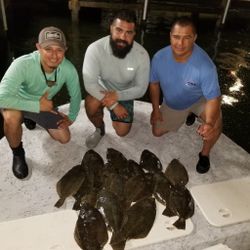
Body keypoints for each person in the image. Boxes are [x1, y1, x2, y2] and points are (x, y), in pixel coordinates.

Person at [0, 26, 82, 179]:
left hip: (42, 106)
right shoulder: (21, 64)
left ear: (66, 49)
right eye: (48, 49)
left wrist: (71, 116)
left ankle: (30, 117)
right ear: (38, 47)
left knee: (65, 138)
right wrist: (37, 106)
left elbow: (76, 96)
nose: (54, 55)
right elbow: (1, 97)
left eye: (59, 50)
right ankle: (18, 153)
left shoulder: (68, 69)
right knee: (12, 119)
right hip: (16, 102)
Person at [149, 16, 222, 174]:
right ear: (170, 35)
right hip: (175, 103)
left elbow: (214, 98)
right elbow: (154, 84)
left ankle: (204, 154)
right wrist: (156, 109)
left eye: (187, 38)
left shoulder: (206, 66)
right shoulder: (158, 58)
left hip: (199, 98)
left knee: (215, 122)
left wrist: (209, 123)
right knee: (156, 132)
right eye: (176, 37)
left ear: (194, 38)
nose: (180, 44)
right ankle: (188, 114)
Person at [82, 9, 150, 148]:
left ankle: (116, 113)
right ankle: (100, 129)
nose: (123, 37)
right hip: (102, 89)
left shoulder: (142, 55)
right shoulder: (94, 49)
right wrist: (114, 104)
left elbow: (141, 89)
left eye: (128, 33)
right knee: (91, 105)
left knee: (122, 132)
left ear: (134, 34)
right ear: (111, 28)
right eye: (118, 30)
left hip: (125, 93)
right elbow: (90, 84)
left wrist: (118, 96)